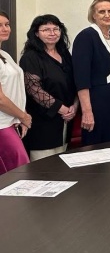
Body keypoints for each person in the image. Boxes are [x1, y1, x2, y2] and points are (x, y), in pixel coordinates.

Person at [20, 15, 77, 160]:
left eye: (56, 29)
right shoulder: (30, 57)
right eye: (46, 30)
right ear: (36, 33)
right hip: (42, 122)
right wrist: (61, 108)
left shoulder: (65, 54)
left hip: (65, 120)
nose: (52, 33)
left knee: (62, 163)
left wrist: (74, 106)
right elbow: (34, 89)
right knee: (44, 166)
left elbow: (76, 83)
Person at [72, 0, 110, 145]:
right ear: (94, 15)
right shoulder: (86, 36)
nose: (107, 15)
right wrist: (87, 111)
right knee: (97, 146)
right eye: (102, 11)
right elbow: (81, 78)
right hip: (97, 101)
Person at [0, 11, 31, 173]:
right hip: (1, 124)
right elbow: (0, 99)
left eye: (7, 24)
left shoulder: (4, 54)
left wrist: (20, 115)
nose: (5, 29)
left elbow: (14, 89)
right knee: (20, 170)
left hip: (10, 120)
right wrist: (23, 116)